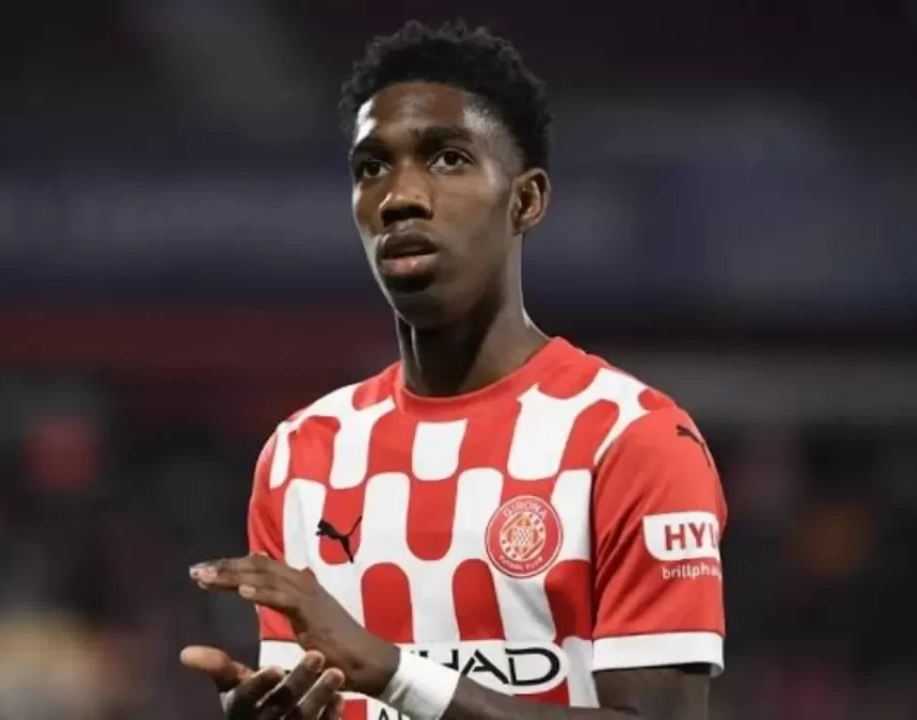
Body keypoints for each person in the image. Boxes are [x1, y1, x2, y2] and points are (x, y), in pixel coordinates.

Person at [182, 19, 727, 720]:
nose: (399, 196)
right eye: (371, 167)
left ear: (526, 200)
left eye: (447, 158)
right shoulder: (302, 455)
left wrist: (397, 674)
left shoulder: (630, 438)